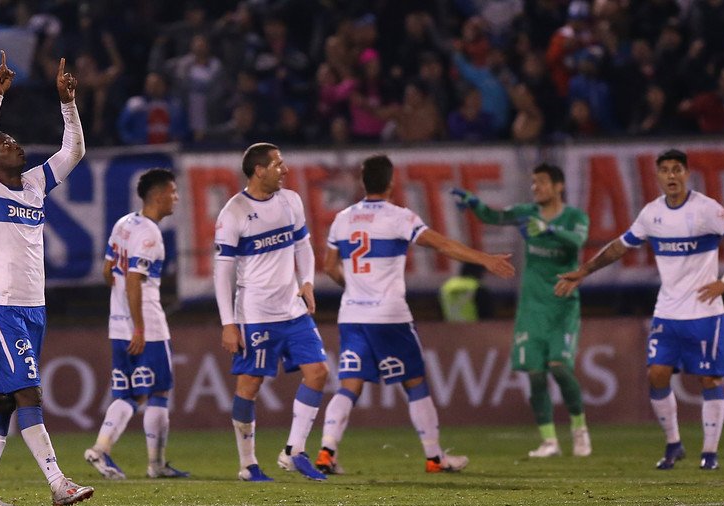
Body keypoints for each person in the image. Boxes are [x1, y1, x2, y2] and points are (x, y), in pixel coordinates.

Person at [314, 154, 515, 475]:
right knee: (415, 383)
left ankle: (327, 451)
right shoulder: (400, 218)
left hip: (352, 316)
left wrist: (353, 285)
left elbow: (328, 267)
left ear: (363, 182)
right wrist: (484, 259)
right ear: (391, 182)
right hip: (390, 317)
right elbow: (442, 244)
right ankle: (435, 457)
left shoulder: (342, 219)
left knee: (348, 385)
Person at [556, 149, 724, 470]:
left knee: (709, 380)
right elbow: (620, 246)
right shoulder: (652, 214)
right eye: (665, 170)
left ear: (687, 174)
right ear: (658, 176)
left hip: (704, 312)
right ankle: (674, 444)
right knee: (656, 374)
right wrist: (584, 271)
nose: (671, 176)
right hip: (667, 312)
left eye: (677, 169)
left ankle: (710, 453)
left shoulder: (705, 209)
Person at [0, 51, 93, 506]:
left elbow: (74, 151)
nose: (14, 145)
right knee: (27, 391)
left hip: (33, 307)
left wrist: (67, 103)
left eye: (15, 140)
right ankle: (59, 484)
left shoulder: (35, 184)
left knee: (2, 400)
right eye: (7, 143)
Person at [451, 163, 593, 459]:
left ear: (558, 186)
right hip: (531, 306)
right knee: (535, 374)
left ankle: (579, 430)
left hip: (562, 306)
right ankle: (549, 441)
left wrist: (549, 228)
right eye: (533, 183)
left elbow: (576, 243)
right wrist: (474, 202)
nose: (536, 188)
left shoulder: (575, 217)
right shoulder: (527, 213)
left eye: (541, 182)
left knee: (560, 368)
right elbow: (495, 216)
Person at [214, 142, 329, 482]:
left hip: (293, 308)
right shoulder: (233, 213)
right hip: (256, 314)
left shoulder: (291, 201)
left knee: (318, 372)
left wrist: (307, 282)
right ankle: (248, 464)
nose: (286, 169)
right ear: (259, 170)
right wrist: (228, 323)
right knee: (249, 385)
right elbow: (223, 272)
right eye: (278, 164)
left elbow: (303, 245)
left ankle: (294, 451)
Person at [84, 168, 189, 480]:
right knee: (159, 390)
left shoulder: (123, 224)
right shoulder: (149, 234)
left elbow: (107, 271)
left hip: (117, 325)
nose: (176, 197)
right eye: (172, 192)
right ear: (157, 196)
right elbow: (133, 282)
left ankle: (100, 449)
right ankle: (155, 464)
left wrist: (121, 308)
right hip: (147, 326)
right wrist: (140, 328)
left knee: (128, 394)